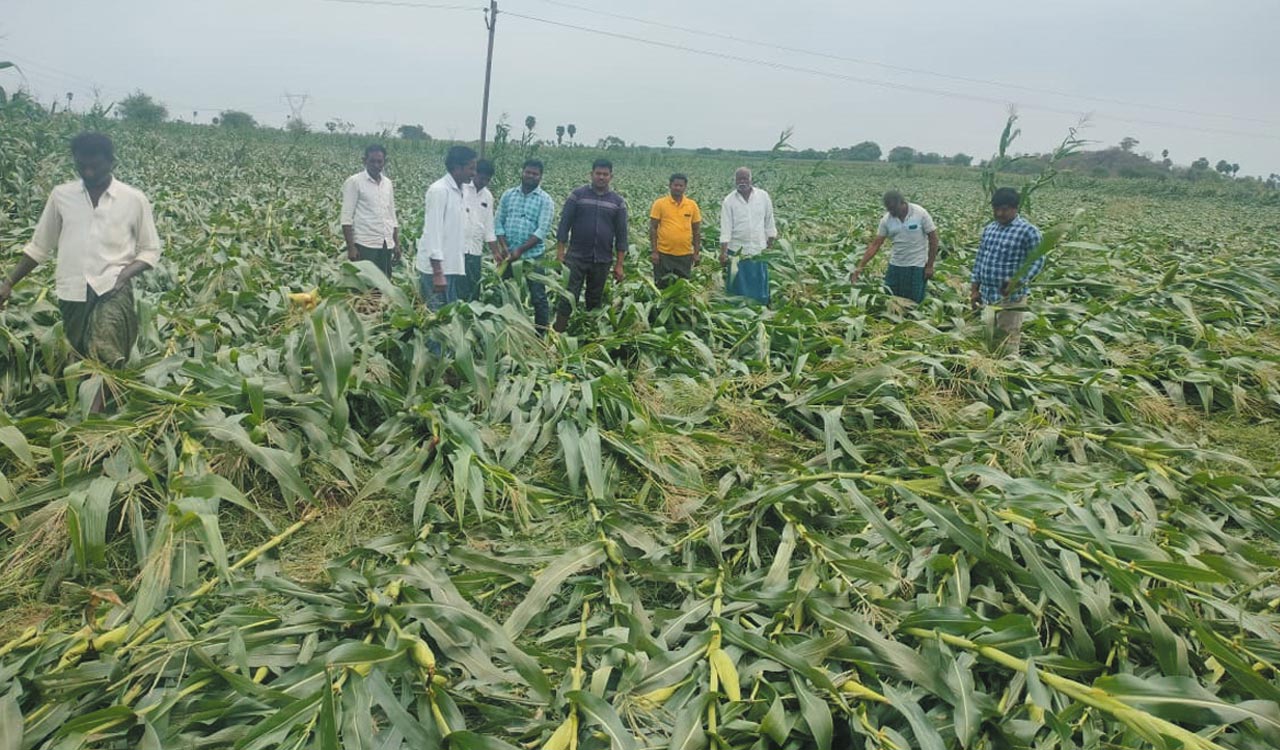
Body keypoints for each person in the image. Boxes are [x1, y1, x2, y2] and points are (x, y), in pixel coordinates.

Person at [0, 132, 162, 412]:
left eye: (95, 166)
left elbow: (150, 251)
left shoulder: (133, 200)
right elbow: (40, 246)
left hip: (113, 288)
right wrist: (8, 282)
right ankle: (94, 399)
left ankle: (92, 420)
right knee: (81, 350)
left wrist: (124, 276)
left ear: (111, 162)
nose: (88, 171)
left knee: (103, 347)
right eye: (82, 165)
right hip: (72, 289)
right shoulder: (62, 196)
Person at [553, 159, 628, 333]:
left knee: (594, 300)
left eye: (605, 174)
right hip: (576, 257)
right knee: (568, 296)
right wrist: (560, 253)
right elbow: (564, 224)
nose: (601, 177)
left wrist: (619, 264)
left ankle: (590, 335)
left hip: (602, 259)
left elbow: (622, 235)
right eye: (598, 173)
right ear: (591, 174)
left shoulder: (618, 202)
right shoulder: (577, 195)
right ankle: (558, 335)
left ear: (611, 176)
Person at [970, 187, 1044, 356]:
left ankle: (1006, 374)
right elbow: (980, 260)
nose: (999, 213)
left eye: (1004, 209)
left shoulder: (1028, 231)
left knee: (1007, 342)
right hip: (987, 296)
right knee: (988, 339)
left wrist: (1018, 281)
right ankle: (989, 373)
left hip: (1010, 298)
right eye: (996, 209)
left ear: (1015, 208)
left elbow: (1038, 261)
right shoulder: (990, 229)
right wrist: (974, 289)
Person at [495, 159, 556, 332]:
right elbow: (498, 221)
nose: (530, 176)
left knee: (538, 296)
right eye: (528, 172)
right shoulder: (508, 195)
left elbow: (542, 230)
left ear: (540, 177)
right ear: (522, 172)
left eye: (535, 174)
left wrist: (520, 250)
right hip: (508, 255)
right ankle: (499, 327)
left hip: (532, 257)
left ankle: (540, 334)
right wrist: (505, 247)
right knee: (499, 290)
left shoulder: (545, 200)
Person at [850, 190, 938, 303]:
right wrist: (860, 267)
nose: (891, 212)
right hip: (896, 265)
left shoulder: (920, 213)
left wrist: (930, 265)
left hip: (917, 266)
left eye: (893, 208)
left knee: (914, 302)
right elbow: (876, 244)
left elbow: (933, 239)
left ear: (902, 203)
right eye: (889, 209)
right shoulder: (886, 220)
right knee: (891, 300)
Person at [418, 146, 476, 309]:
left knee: (446, 317)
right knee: (435, 319)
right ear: (457, 167)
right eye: (471, 168)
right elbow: (433, 232)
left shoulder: (461, 190)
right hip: (436, 270)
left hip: (450, 266)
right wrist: (437, 272)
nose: (474, 173)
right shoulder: (439, 191)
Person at [718, 167, 777, 305]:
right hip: (738, 250)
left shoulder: (763, 196)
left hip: (758, 248)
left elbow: (769, 221)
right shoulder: (729, 201)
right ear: (735, 181)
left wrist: (770, 242)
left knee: (758, 280)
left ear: (751, 179)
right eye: (739, 179)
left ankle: (761, 306)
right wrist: (723, 253)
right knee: (739, 282)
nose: (742, 182)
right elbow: (725, 229)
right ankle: (738, 309)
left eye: (745, 178)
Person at [340, 144, 399, 277]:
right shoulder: (354, 182)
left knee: (384, 283)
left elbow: (391, 215)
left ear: (385, 162)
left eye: (380, 161)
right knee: (365, 285)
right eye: (372, 161)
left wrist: (396, 243)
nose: (376, 165)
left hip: (385, 243)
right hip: (365, 243)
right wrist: (351, 247)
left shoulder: (387, 183)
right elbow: (346, 217)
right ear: (364, 161)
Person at [648, 173, 702, 289]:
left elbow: (696, 230)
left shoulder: (692, 205)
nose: (678, 188)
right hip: (664, 254)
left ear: (685, 187)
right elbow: (653, 228)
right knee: (662, 285)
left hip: (685, 255)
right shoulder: (660, 204)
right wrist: (654, 252)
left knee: (682, 287)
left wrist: (696, 253)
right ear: (670, 185)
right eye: (675, 185)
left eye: (681, 186)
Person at [459, 159, 500, 302]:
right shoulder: (461, 189)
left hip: (475, 251)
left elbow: (489, 227)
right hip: (457, 249)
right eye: (482, 178)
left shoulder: (488, 197)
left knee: (473, 289)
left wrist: (495, 252)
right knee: (457, 289)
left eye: (487, 180)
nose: (484, 182)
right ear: (474, 173)